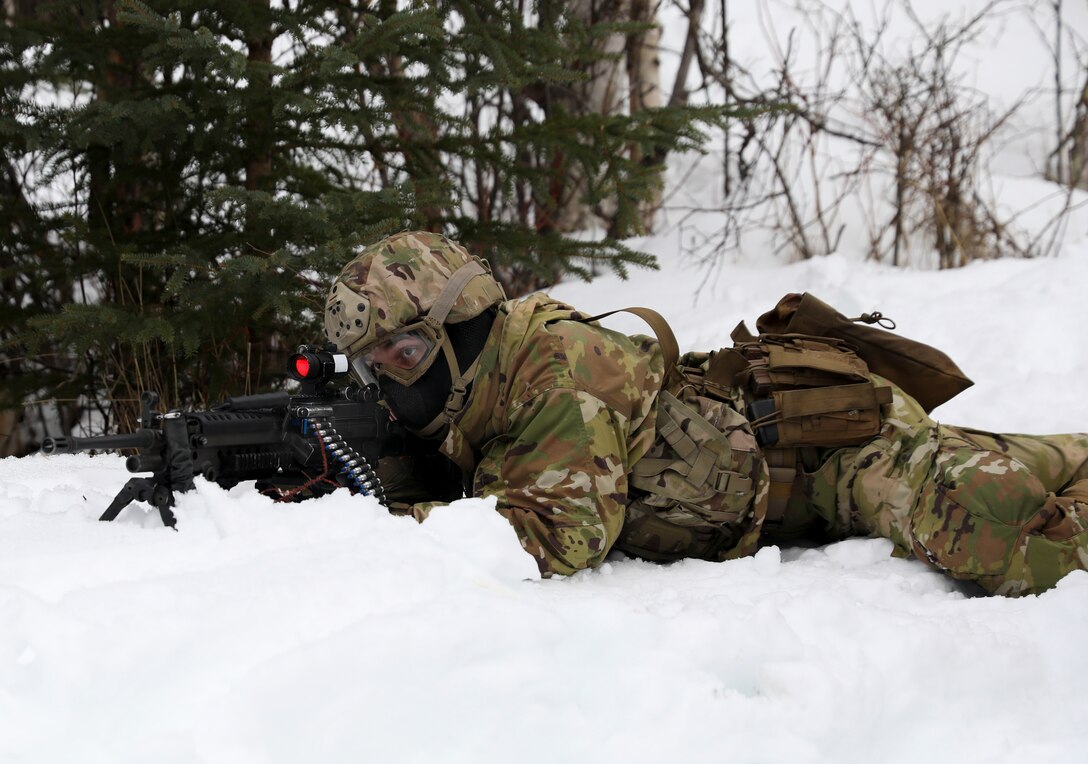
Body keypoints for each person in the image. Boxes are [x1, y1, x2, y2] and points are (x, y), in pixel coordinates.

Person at [324, 231, 1088, 596]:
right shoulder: (489, 378)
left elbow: (550, 539)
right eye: (374, 367)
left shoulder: (561, 375)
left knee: (989, 524)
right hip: (787, 437)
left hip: (834, 458)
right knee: (1053, 460)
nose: (392, 381)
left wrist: (383, 523)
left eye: (407, 355)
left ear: (463, 325)